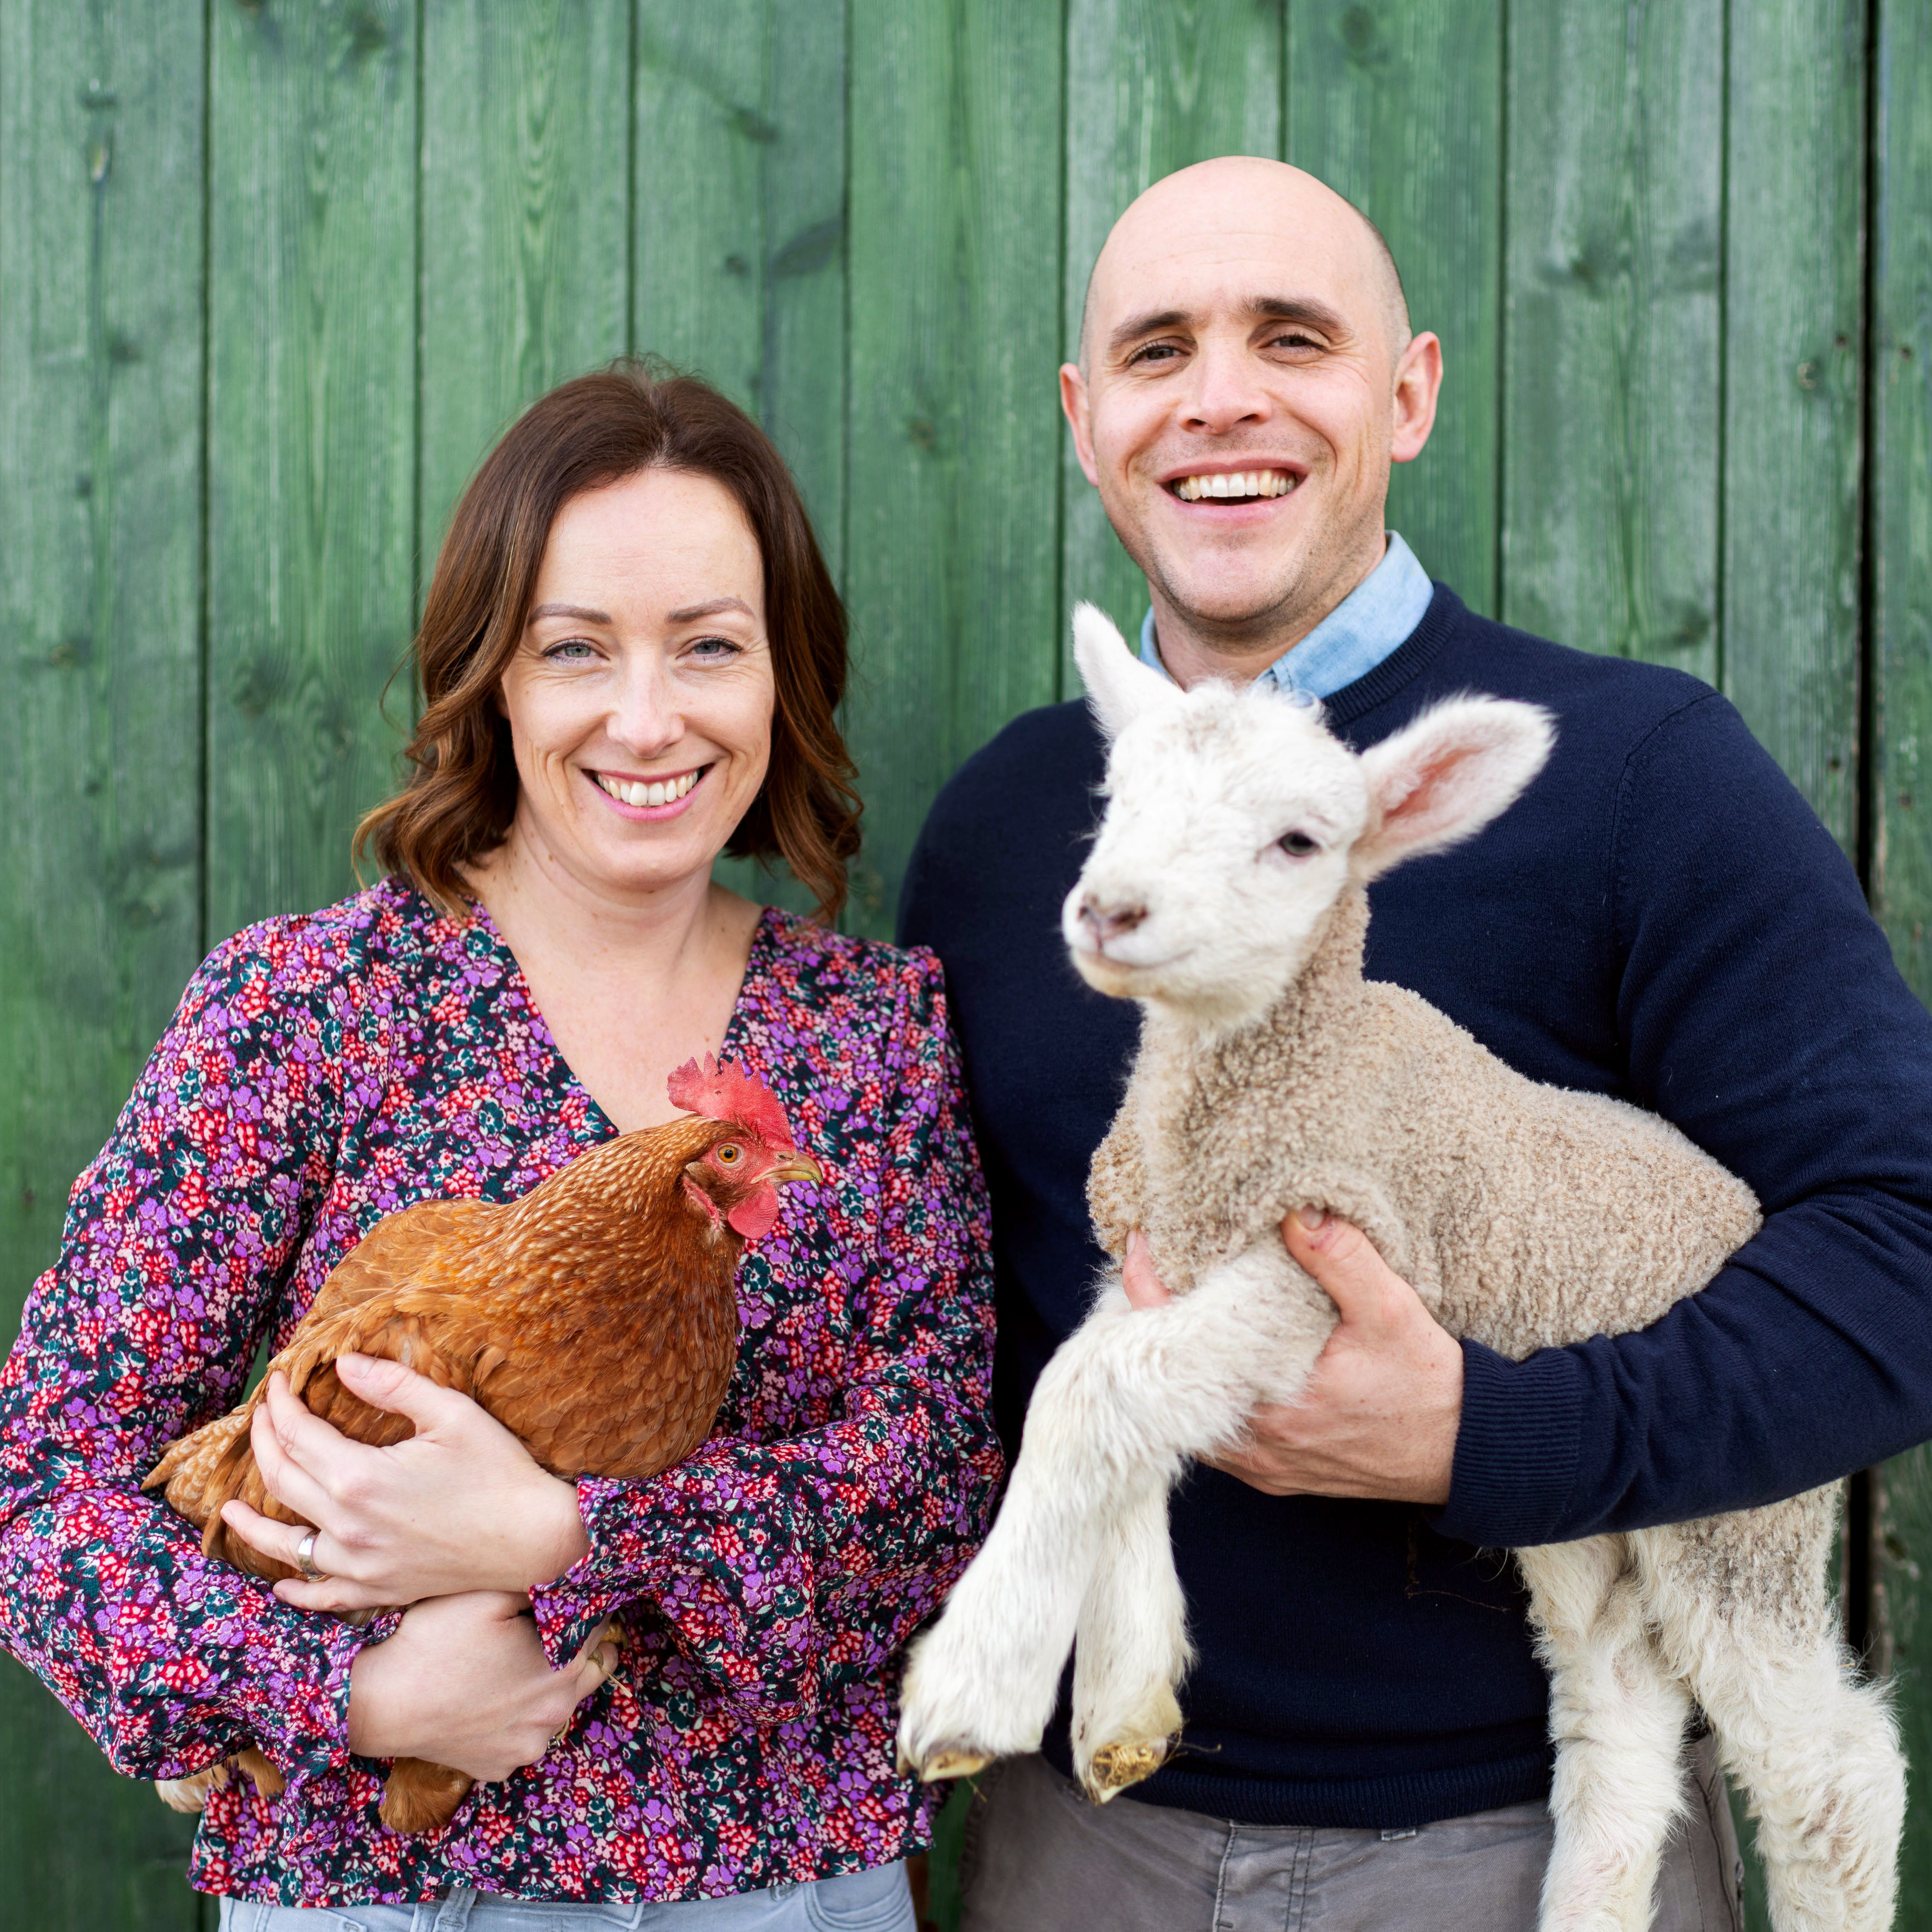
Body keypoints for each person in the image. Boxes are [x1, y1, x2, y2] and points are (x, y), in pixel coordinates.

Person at [900, 156, 1932, 1930]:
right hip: (1082, 1844)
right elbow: (968, 1316)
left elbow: (1904, 1245)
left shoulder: (1639, 780)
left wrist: (1494, 1433)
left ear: (1409, 392)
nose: (1220, 398)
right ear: (1086, 419)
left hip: (1511, 1843)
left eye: (1291, 338)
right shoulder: (1008, 829)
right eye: (1157, 351)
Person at [0, 364, 1000, 1927]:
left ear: (782, 679)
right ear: (497, 682)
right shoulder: (310, 1007)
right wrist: (357, 1693)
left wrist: (573, 1534)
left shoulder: (870, 1034)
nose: (647, 718)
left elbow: (933, 1494)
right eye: (575, 647)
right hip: (382, 1891)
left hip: (783, 1887)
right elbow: (47, 1489)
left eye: (710, 646)